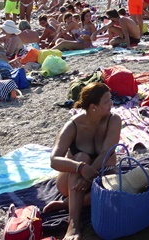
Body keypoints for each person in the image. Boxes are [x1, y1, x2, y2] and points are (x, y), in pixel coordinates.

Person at [45, 83, 121, 240]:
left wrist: (89, 173)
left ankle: (66, 204)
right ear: (93, 107)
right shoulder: (73, 125)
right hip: (70, 183)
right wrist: (81, 168)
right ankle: (73, 224)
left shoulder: (113, 120)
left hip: (99, 176)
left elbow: (107, 152)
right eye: (107, 102)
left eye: (110, 99)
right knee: (81, 157)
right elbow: (54, 160)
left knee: (116, 191)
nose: (111, 104)